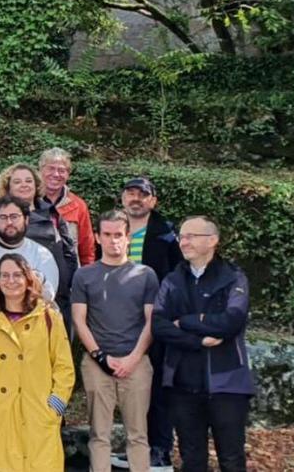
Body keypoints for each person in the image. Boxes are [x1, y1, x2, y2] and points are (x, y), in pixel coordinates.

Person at [151, 217, 255, 472]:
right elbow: (158, 324)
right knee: (192, 458)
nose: (183, 242)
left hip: (227, 382)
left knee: (231, 458)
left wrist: (187, 321)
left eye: (191, 236)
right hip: (183, 383)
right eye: (182, 236)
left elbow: (231, 321)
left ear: (212, 241)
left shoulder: (233, 277)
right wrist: (197, 340)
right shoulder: (173, 280)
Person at [0, 253, 75, 472]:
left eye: (17, 275)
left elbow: (64, 366)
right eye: (4, 275)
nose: (11, 280)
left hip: (37, 412)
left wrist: (56, 404)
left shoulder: (48, 317)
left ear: (28, 279)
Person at [73, 210, 160, 472]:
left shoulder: (146, 275)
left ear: (128, 237)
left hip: (136, 363)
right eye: (108, 235)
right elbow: (79, 320)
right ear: (98, 237)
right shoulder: (84, 275)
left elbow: (151, 322)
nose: (114, 241)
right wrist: (101, 357)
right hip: (97, 363)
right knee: (100, 434)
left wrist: (132, 359)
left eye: (119, 235)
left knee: (138, 434)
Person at [117, 176, 184, 472]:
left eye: (142, 195)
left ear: (153, 201)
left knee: (157, 385)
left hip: (156, 320)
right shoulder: (113, 230)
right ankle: (134, 445)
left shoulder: (167, 235)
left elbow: (178, 277)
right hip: (119, 320)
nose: (136, 199)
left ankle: (160, 449)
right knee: (127, 385)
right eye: (130, 193)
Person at [0, 163, 78, 320]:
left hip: (55, 296)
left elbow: (69, 253)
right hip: (12, 298)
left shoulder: (53, 215)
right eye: (17, 182)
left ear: (36, 185)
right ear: (8, 187)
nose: (24, 185)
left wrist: (68, 284)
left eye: (28, 181)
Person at [0, 196, 61, 303]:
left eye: (14, 216)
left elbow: (48, 293)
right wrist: (30, 279)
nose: (9, 222)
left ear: (26, 219)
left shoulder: (41, 253)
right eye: (3, 217)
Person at [39, 148, 96, 267]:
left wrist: (86, 276)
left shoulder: (78, 205)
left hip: (70, 274)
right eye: (51, 168)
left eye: (62, 170)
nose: (56, 174)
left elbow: (87, 247)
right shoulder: (29, 202)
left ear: (68, 174)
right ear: (40, 170)